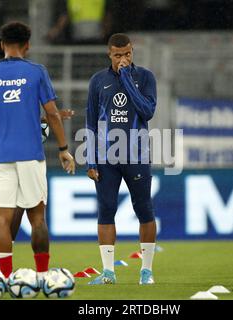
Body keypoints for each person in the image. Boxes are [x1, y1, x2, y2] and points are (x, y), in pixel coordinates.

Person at [0, 22, 75, 281]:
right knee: (37, 219)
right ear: (27, 45)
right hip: (30, 155)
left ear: (2, 45)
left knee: (3, 219)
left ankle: (4, 278)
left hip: (0, 157)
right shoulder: (36, 71)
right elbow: (52, 114)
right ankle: (43, 276)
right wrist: (63, 149)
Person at [85, 33, 157, 285]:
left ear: (131, 51)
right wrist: (90, 160)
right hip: (106, 158)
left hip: (136, 154)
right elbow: (91, 122)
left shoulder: (145, 77)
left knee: (144, 209)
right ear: (109, 54)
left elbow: (147, 111)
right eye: (118, 55)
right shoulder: (98, 81)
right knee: (106, 210)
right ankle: (108, 273)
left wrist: (127, 79)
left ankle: (146, 272)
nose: (123, 59)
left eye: (127, 54)